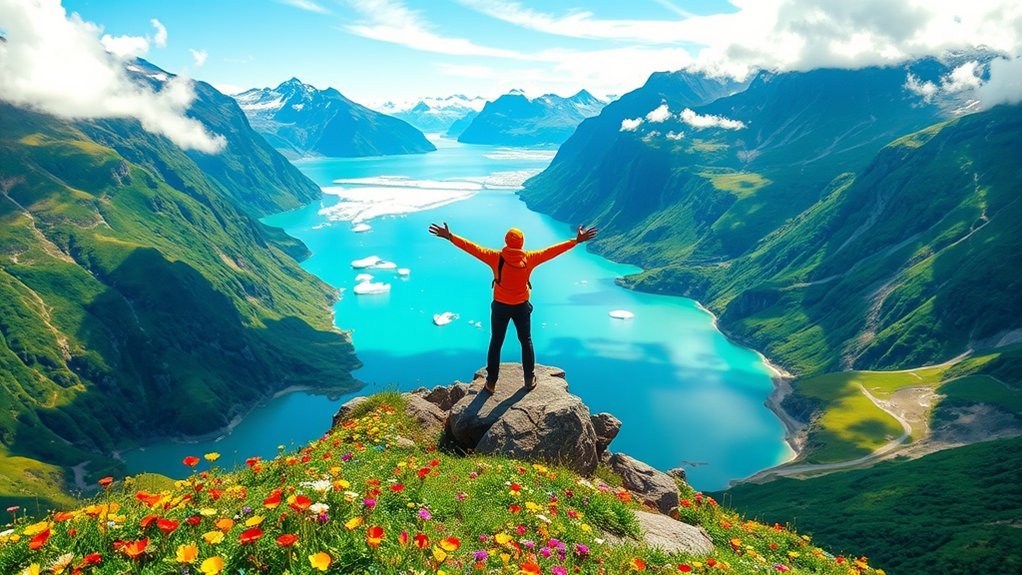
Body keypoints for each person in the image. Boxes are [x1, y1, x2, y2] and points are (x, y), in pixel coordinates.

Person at [428, 222, 598, 393]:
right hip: (521, 307)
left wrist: (450, 237)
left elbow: (473, 248)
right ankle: (529, 379)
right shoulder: (529, 258)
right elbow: (551, 251)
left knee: (496, 342)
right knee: (526, 341)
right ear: (522, 242)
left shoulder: (495, 257)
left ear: (506, 241)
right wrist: (575, 241)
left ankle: (491, 382)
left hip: (500, 306)